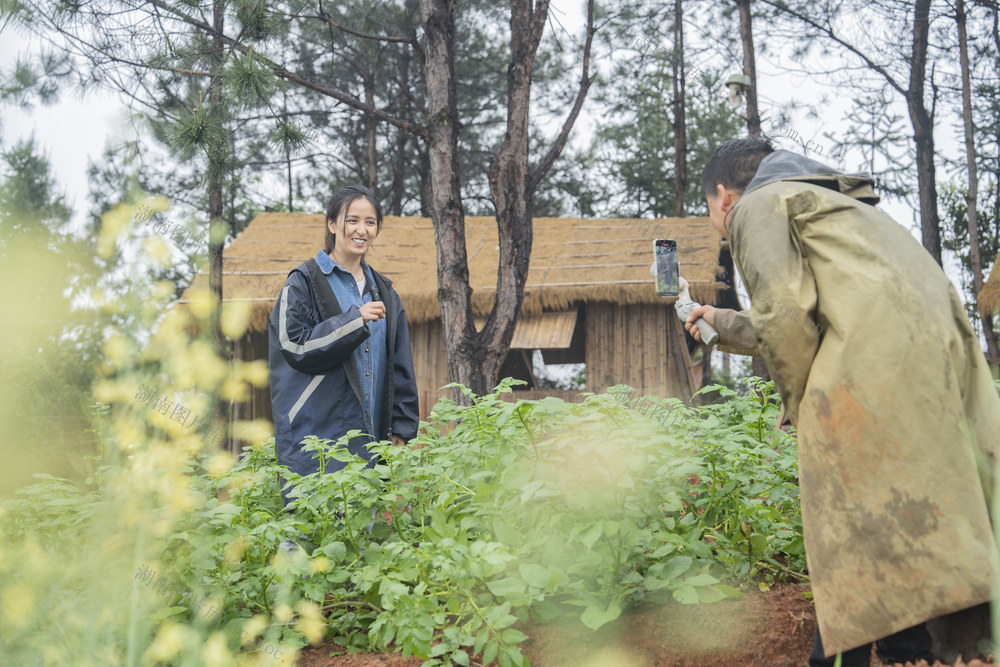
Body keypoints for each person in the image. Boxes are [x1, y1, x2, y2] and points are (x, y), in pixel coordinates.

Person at [684, 138, 1000, 666]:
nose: (716, 220)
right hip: (936, 371)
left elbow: (786, 321)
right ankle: (911, 650)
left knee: (845, 532)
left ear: (723, 196)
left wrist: (801, 410)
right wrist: (718, 324)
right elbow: (825, 313)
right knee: (908, 522)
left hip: (864, 374)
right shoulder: (844, 208)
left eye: (711, 211)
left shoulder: (757, 205)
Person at [268, 184, 419, 507]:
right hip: (314, 438)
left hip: (371, 440)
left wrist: (402, 428)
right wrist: (354, 321)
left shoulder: (385, 293)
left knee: (361, 540)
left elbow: (400, 364)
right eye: (352, 220)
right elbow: (293, 346)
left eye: (370, 222)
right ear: (333, 225)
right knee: (307, 538)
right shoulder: (304, 282)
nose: (361, 230)